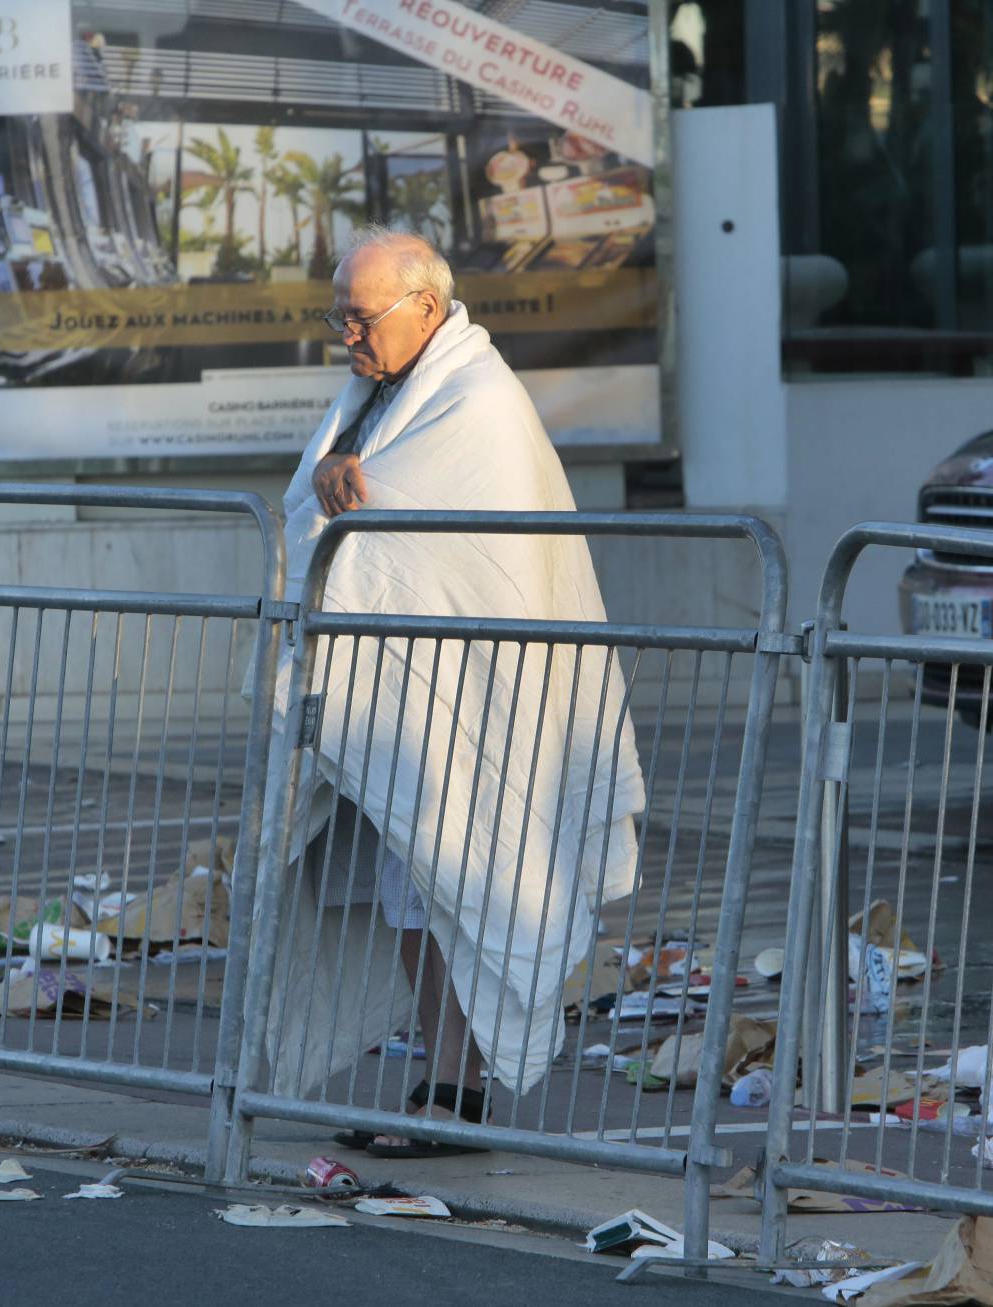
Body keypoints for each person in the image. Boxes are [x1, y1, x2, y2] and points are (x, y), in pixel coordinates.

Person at [262, 226, 644, 1158]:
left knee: (463, 878)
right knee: (410, 890)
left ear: (426, 308)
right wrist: (330, 486)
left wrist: (355, 496)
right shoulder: (375, 391)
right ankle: (439, 1078)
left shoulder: (479, 401)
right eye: (339, 316)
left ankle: (458, 1092)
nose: (346, 335)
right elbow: (321, 509)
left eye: (361, 316)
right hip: (408, 702)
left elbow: (447, 539)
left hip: (479, 702)